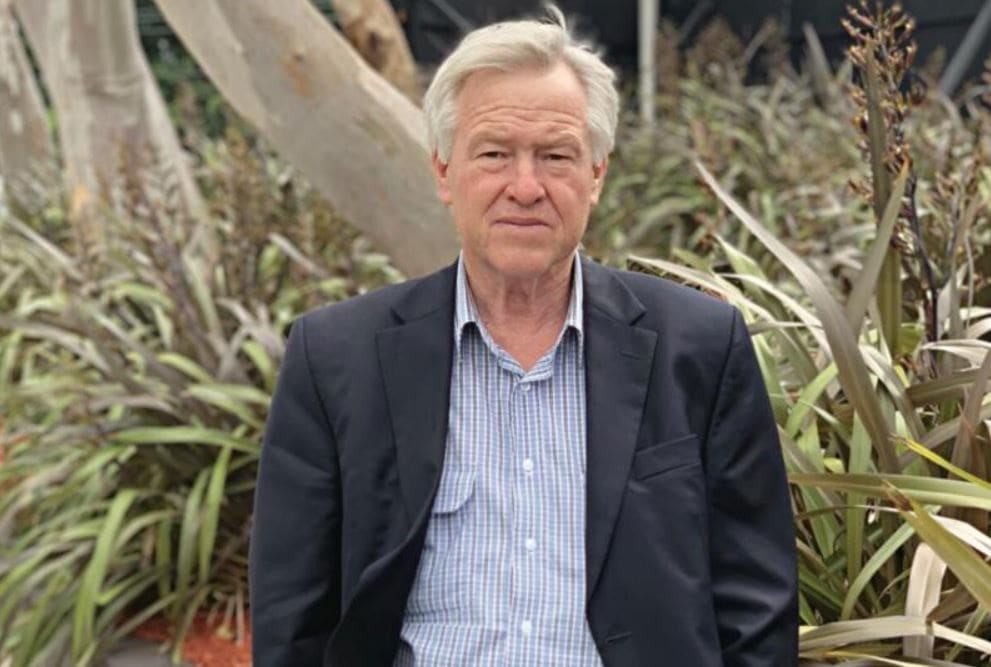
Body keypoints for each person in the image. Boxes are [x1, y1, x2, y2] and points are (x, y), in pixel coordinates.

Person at [249, 6, 797, 666]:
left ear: (595, 175)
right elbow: (293, 614)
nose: (526, 187)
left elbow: (756, 602)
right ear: (443, 172)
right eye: (493, 154)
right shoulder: (336, 358)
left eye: (556, 155)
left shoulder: (699, 348)